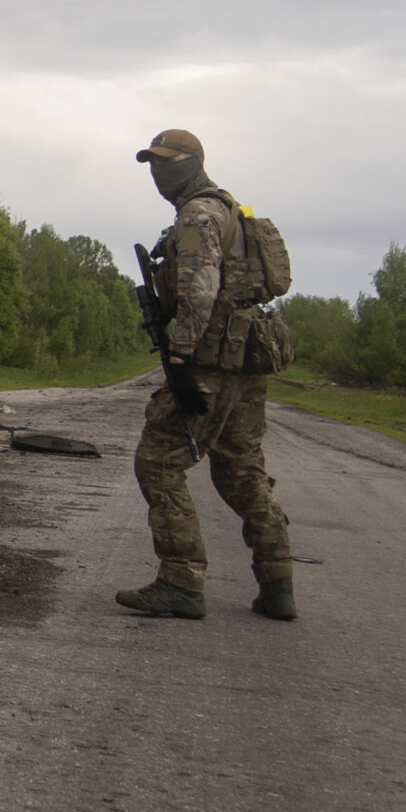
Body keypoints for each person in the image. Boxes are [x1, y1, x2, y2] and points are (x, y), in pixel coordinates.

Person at [115, 128, 297, 622]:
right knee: (242, 472)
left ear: (191, 162)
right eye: (151, 162)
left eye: (165, 160)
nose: (157, 171)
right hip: (245, 361)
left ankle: (181, 580)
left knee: (157, 462)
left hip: (213, 359)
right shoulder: (230, 209)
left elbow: (200, 288)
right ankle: (278, 580)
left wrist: (181, 357)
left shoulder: (198, 214)